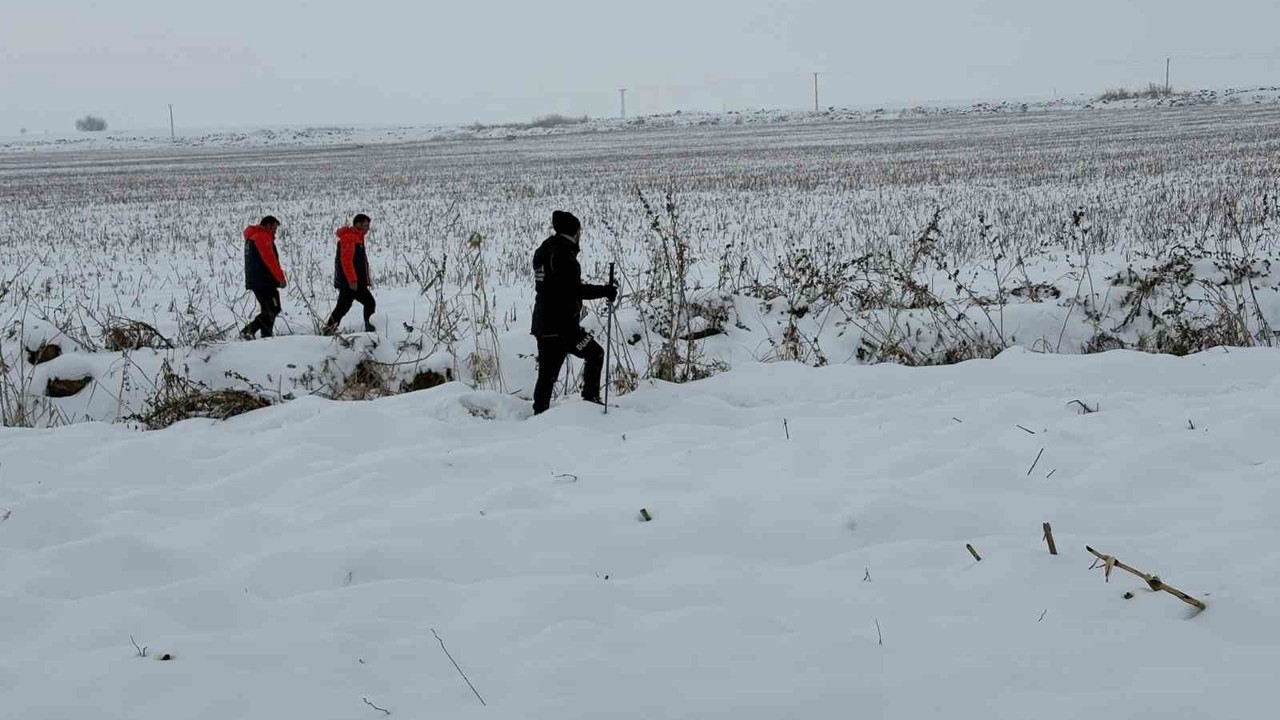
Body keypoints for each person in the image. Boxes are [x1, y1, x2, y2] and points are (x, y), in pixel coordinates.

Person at [530, 210, 617, 415]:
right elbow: (572, 290)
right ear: (575, 231)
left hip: (544, 325)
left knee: (547, 375)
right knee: (595, 354)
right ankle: (590, 402)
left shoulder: (543, 249)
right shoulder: (563, 254)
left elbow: (556, 287)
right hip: (563, 328)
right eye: (580, 231)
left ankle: (539, 414)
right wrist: (605, 291)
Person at [323, 214, 377, 334]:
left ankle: (328, 330)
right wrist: (352, 280)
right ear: (358, 224)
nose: (368, 228)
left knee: (343, 307)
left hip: (354, 282)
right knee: (369, 303)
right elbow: (346, 261)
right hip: (351, 282)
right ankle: (370, 331)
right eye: (366, 225)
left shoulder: (357, 237)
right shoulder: (349, 238)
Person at [240, 215, 286, 340]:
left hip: (256, 281)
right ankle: (249, 330)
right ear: (268, 225)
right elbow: (270, 260)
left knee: (268, 309)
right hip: (265, 281)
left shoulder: (253, 238)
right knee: (274, 308)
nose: (276, 231)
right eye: (275, 228)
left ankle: (266, 337)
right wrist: (280, 278)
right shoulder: (262, 237)